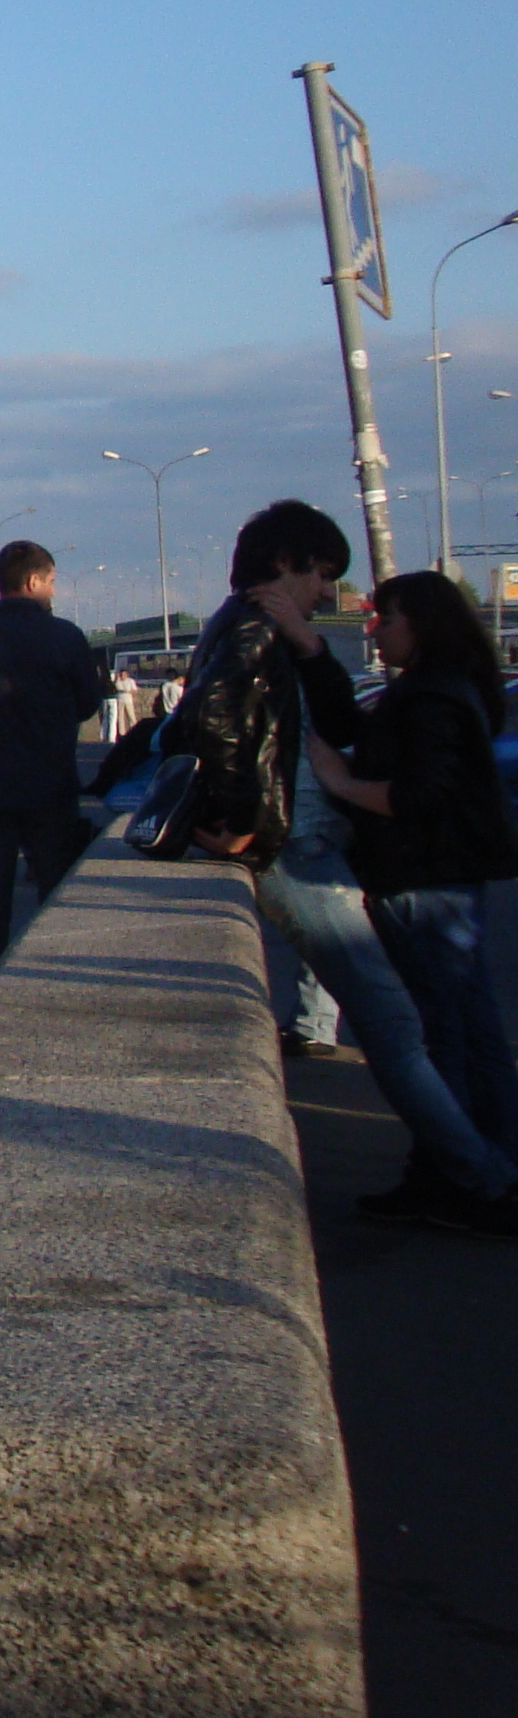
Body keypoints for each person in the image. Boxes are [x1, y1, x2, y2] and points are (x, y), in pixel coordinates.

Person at [188, 502, 518, 1235]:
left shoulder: (259, 628)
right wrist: (249, 821)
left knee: (426, 1031)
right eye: (323, 577)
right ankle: (484, 1179)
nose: (333, 598)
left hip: (370, 859)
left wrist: (310, 656)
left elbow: (343, 738)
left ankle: (472, 1173)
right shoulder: (254, 627)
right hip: (303, 850)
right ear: (287, 564)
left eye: (379, 616)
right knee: (414, 1031)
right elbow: (217, 719)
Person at [306, 567, 518, 1231]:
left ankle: (457, 1178)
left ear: (422, 625)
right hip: (445, 880)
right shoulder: (452, 687)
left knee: (436, 1038)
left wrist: (341, 783)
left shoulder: (430, 698)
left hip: (421, 881)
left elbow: (419, 796)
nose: (375, 631)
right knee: (472, 1032)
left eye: (386, 619)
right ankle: (488, 1165)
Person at [0, 538, 111, 982]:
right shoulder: (65, 637)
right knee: (55, 907)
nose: (53, 590)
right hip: (51, 791)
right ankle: (54, 990)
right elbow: (88, 703)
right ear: (33, 582)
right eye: (51, 582)